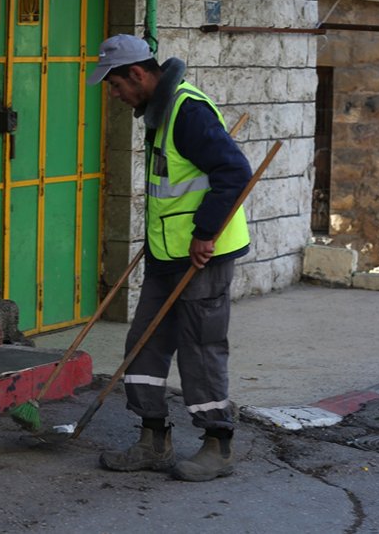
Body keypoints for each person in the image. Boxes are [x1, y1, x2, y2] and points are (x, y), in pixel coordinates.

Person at [86, 34, 252, 482]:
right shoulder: (158, 114)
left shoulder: (187, 112)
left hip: (203, 255)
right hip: (167, 251)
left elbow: (234, 172)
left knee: (200, 349)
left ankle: (217, 445)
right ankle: (153, 439)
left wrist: (203, 234)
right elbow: (174, 185)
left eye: (116, 86)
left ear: (138, 74)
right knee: (144, 342)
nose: (115, 95)